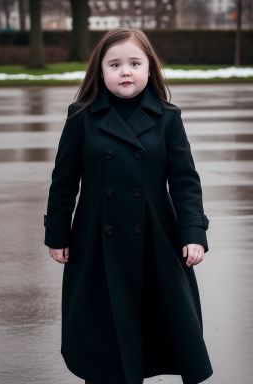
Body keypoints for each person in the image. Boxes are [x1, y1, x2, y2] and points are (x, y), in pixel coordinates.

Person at [44, 28, 213, 384]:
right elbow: (63, 182)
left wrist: (194, 232)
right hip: (96, 239)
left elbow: (185, 181)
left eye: (134, 63)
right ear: (100, 72)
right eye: (115, 64)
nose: (125, 71)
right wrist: (57, 233)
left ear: (149, 69)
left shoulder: (167, 117)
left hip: (155, 237)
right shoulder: (81, 117)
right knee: (101, 328)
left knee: (154, 322)